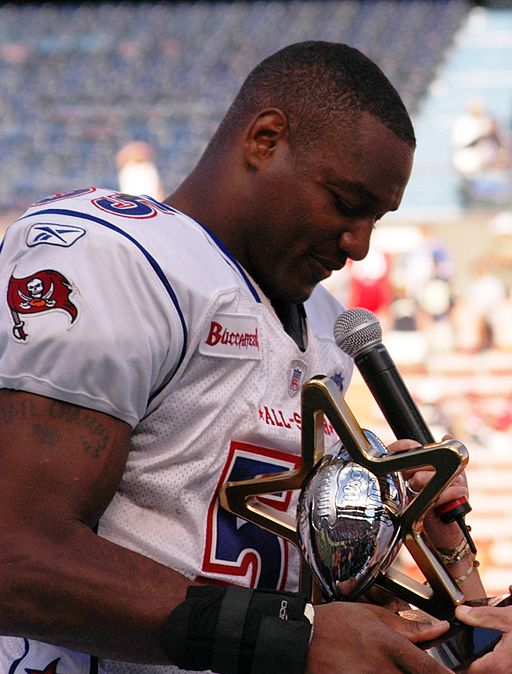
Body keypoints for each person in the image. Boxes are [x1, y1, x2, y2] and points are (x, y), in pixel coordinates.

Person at [0, 41, 488, 674]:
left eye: (376, 217)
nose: (360, 245)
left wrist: (432, 553)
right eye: (345, 203)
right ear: (264, 139)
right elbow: (16, 554)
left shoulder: (323, 326)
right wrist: (290, 638)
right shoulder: (112, 256)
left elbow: (304, 595)